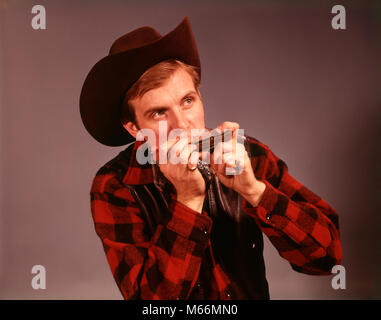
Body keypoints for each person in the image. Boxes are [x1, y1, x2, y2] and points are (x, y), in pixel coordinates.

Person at [80, 17, 342, 300]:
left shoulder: (247, 155)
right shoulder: (116, 185)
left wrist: (254, 191)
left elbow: (326, 259)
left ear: (200, 97)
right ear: (134, 128)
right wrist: (188, 201)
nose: (182, 125)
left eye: (187, 101)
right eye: (159, 113)